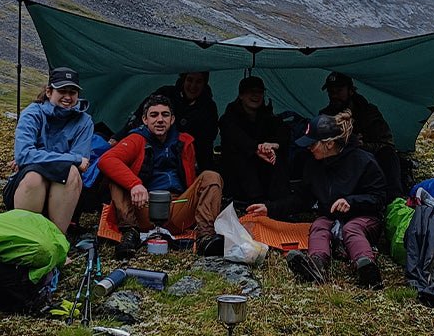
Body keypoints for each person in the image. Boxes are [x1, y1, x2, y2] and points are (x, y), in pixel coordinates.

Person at [246, 110, 386, 289]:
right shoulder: (313, 164)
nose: (308, 148)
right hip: (330, 216)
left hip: (364, 217)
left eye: (312, 144)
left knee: (352, 228)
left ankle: (367, 269)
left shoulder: (364, 161)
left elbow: (379, 198)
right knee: (319, 225)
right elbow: (301, 199)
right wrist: (269, 208)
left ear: (328, 144)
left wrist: (352, 201)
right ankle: (315, 267)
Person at [99, 94, 225, 259]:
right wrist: (134, 184)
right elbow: (106, 160)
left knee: (211, 176)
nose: (160, 119)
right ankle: (130, 232)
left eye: (165, 115)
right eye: (154, 115)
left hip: (178, 205)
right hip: (145, 206)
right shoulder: (136, 139)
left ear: (172, 119)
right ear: (144, 119)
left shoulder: (184, 141)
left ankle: (205, 237)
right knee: (115, 177)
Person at [3, 67, 93, 235]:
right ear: (49, 92)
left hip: (65, 190)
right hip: (28, 184)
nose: (67, 97)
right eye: (62, 91)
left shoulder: (84, 121)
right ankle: (28, 240)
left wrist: (37, 156)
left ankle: (57, 241)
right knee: (34, 177)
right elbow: (23, 154)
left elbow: (83, 163)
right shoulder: (32, 113)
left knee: (70, 172)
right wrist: (72, 158)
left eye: (72, 92)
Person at [319, 71, 404, 200]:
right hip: (338, 161)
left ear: (350, 91)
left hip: (368, 160)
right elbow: (319, 145)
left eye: (339, 91)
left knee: (389, 155)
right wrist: (344, 144)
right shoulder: (325, 115)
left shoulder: (368, 113)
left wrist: (362, 146)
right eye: (331, 92)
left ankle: (394, 200)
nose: (334, 95)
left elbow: (386, 143)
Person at [111, 72, 218, 173]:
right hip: (155, 153)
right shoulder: (166, 93)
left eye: (199, 81)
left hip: (187, 159)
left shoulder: (208, 107)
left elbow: (206, 143)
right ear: (183, 79)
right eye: (190, 80)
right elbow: (138, 116)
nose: (193, 86)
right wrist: (117, 137)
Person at [218, 76, 290, 204]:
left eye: (259, 92)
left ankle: (280, 201)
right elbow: (237, 137)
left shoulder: (267, 115)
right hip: (237, 175)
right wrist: (256, 149)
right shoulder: (229, 117)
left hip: (263, 170)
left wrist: (273, 145)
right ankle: (256, 200)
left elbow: (284, 133)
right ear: (241, 95)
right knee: (241, 155)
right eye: (251, 92)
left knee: (276, 156)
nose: (255, 95)